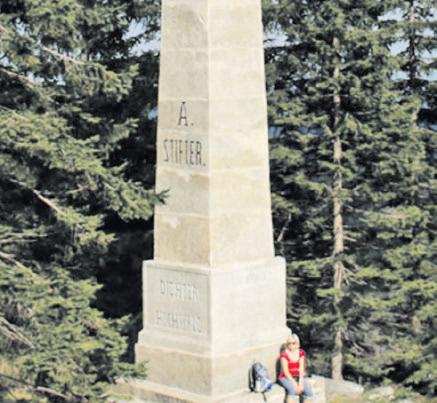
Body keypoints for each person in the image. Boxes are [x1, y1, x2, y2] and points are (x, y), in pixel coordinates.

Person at [278, 334, 314, 402]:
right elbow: (286, 372)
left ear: (297, 343)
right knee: (292, 390)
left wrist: (300, 382)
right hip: (286, 377)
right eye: (289, 343)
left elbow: (301, 368)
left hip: (297, 376)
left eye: (293, 343)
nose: (291, 345)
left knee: (309, 392)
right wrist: (294, 383)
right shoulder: (284, 355)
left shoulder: (301, 353)